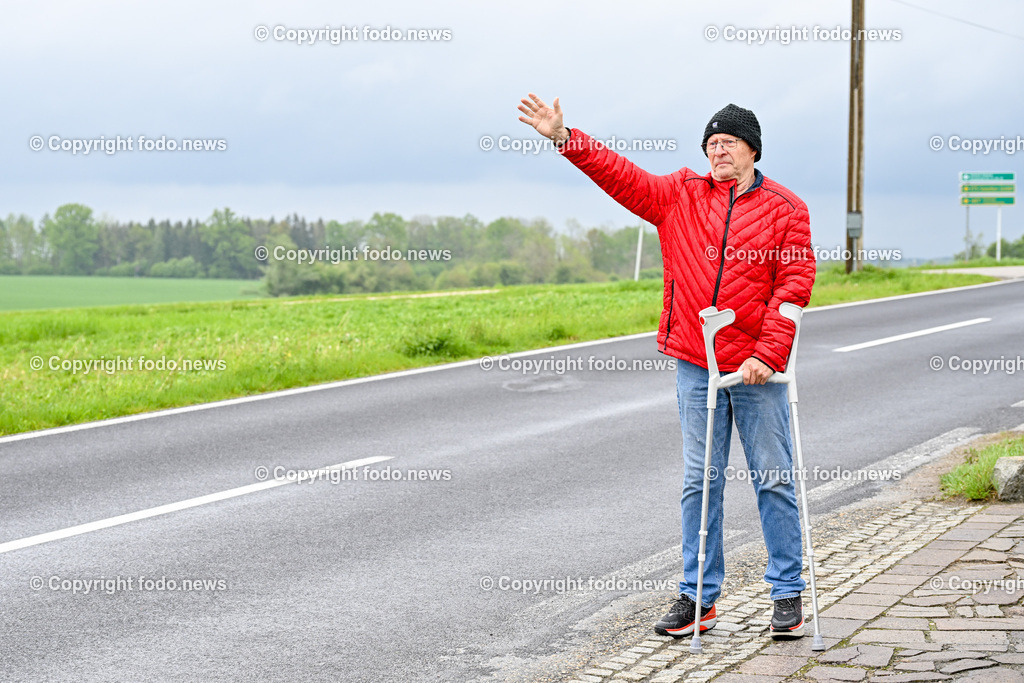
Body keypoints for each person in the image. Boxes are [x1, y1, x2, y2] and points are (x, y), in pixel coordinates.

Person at [517, 94, 815, 638]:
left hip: (757, 370)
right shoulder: (679, 194)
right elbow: (622, 176)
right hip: (695, 363)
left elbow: (793, 289)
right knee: (700, 481)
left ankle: (788, 594)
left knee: (772, 478)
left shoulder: (787, 209)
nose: (718, 151)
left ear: (753, 150)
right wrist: (565, 138)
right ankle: (698, 597)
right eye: (711, 143)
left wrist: (766, 355)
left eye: (728, 143)